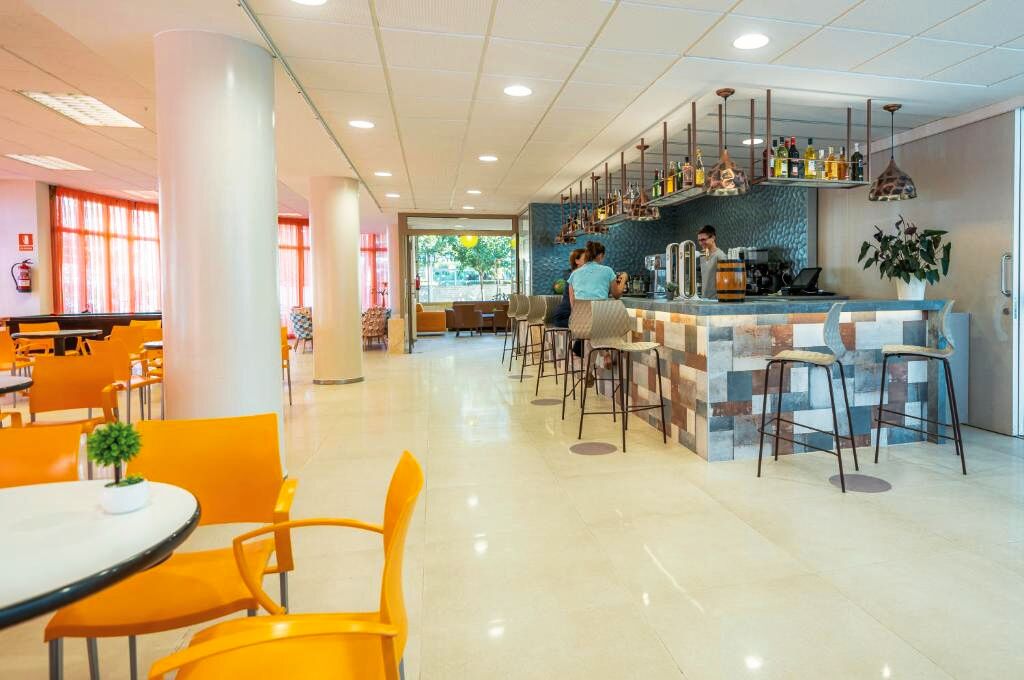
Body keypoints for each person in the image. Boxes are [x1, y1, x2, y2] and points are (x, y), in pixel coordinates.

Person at [551, 248, 585, 328]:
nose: (589, 261)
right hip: (563, 317)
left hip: (570, 314)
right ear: (577, 261)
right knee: (587, 324)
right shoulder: (574, 275)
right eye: (586, 258)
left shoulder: (578, 275)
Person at [697, 225, 726, 298]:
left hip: (716, 300)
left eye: (703, 239)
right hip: (704, 299)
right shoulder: (703, 254)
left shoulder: (720, 256)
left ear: (713, 238)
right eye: (699, 240)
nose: (701, 243)